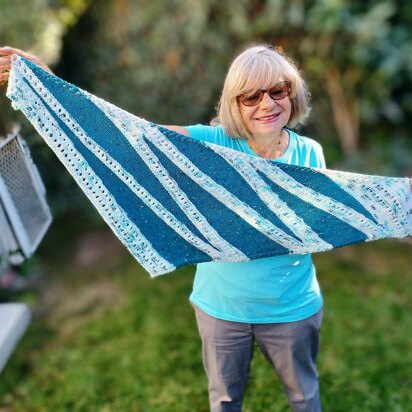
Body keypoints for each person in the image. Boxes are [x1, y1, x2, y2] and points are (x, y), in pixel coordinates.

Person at [1, 45, 410, 412]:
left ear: (293, 95)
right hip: (221, 310)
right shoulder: (208, 146)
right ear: (235, 102)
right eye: (251, 95)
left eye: (278, 91)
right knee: (225, 400)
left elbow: (315, 222)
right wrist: (48, 86)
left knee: (304, 396)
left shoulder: (310, 153)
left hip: (293, 308)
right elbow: (128, 139)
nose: (266, 104)